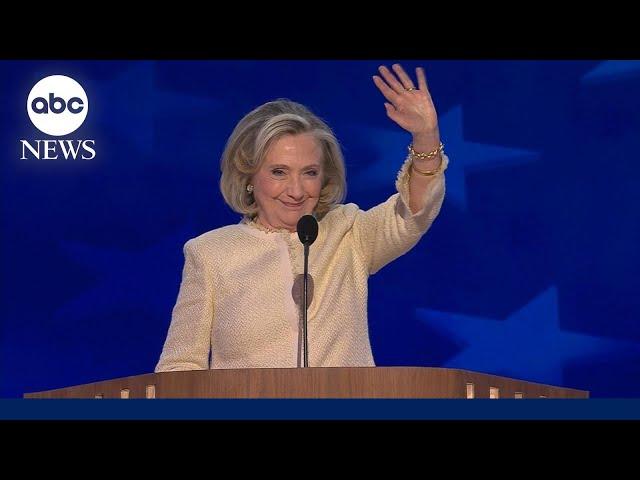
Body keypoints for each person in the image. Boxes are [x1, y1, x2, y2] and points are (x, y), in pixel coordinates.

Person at [155, 63, 448, 371]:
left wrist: (426, 137)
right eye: (279, 172)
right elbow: (180, 366)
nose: (296, 190)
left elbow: (415, 213)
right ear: (249, 176)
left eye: (309, 173)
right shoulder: (210, 253)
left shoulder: (349, 232)